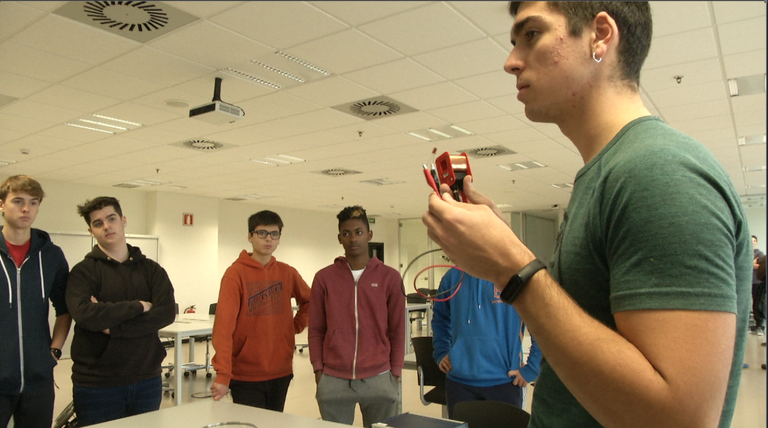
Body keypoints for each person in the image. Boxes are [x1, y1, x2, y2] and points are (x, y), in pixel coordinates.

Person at [422, 2, 752, 428]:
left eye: (532, 35)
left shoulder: (658, 171)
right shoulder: (605, 174)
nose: (511, 61)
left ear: (600, 35)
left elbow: (680, 420)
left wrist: (512, 268)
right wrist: (506, 249)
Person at [66, 196, 176, 426]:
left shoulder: (152, 270)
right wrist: (139, 306)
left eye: (111, 218)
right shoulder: (83, 272)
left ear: (123, 220)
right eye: (98, 223)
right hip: (97, 384)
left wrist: (114, 328)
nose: (107, 226)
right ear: (91, 231)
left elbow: (165, 313)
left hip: (147, 379)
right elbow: (85, 314)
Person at [309, 205, 405, 427]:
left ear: (369, 235)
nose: (353, 238)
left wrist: (395, 372)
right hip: (334, 379)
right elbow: (316, 329)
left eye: (359, 232)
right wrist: (318, 370)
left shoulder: (390, 278)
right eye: (346, 233)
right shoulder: (324, 278)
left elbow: (398, 329)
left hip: (379, 377)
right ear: (339, 238)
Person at [210, 210, 311, 411]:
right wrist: (223, 374)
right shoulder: (235, 274)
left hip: (281, 370)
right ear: (250, 236)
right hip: (245, 374)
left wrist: (294, 326)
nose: (268, 239)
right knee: (251, 423)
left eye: (274, 234)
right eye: (262, 233)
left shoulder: (287, 272)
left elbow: (311, 301)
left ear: (279, 238)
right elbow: (223, 328)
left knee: (274, 422)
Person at [0, 175, 70, 428]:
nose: (26, 209)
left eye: (33, 202)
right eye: (18, 201)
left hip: (38, 379)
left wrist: (55, 350)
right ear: (1, 204)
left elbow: (64, 308)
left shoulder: (51, 255)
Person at [432, 268, 542, 418]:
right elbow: (440, 319)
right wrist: (441, 350)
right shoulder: (452, 277)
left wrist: (532, 368)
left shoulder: (513, 276)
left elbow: (539, 323)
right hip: (459, 384)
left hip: (506, 381)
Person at [751, 235, 765, 335]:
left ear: (756, 243)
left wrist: (750, 264)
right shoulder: (744, 252)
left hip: (757, 282)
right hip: (746, 281)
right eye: (751, 240)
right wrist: (752, 264)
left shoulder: (759, 254)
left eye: (754, 241)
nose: (753, 242)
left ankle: (759, 326)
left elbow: (761, 267)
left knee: (758, 304)